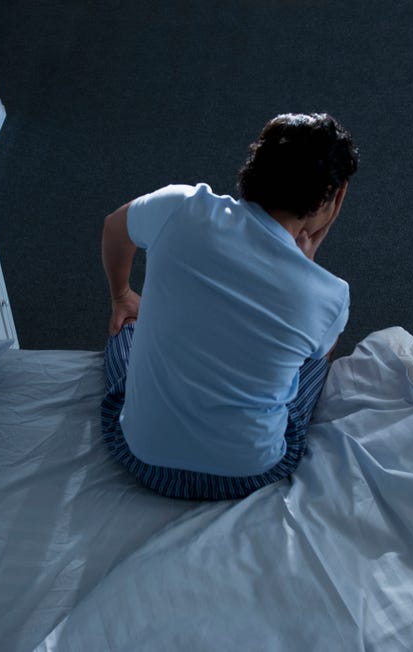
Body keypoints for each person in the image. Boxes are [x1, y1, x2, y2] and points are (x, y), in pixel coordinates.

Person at [100, 112, 359, 500]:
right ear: (333, 197)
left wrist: (122, 295)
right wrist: (303, 268)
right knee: (314, 364)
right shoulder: (330, 295)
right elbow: (312, 356)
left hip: (142, 460)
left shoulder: (180, 207)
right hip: (248, 474)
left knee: (127, 332)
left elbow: (114, 228)